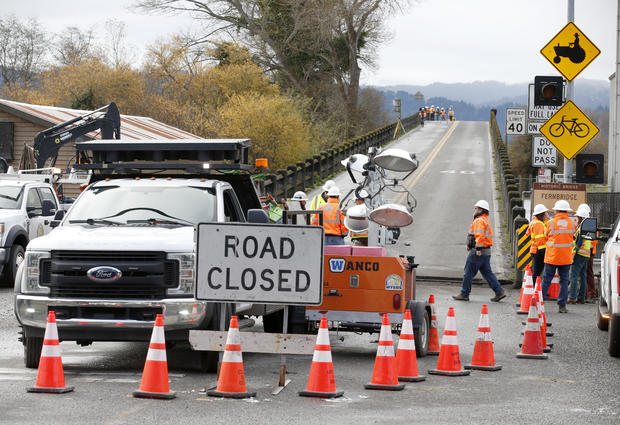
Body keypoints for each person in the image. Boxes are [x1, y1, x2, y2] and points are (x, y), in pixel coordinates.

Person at [453, 200, 506, 302]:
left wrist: (477, 248)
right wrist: (470, 245)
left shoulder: (479, 221)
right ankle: (499, 292)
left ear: (481, 210)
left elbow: (479, 236)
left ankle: (464, 294)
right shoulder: (485, 220)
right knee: (488, 273)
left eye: (476, 208)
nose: (475, 210)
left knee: (468, 272)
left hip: (478, 252)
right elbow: (477, 236)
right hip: (486, 252)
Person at [541, 200, 575, 313]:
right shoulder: (572, 223)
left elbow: (546, 237)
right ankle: (562, 306)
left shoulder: (550, 223)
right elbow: (573, 237)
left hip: (552, 256)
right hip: (566, 257)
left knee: (546, 280)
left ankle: (539, 302)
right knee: (564, 281)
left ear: (557, 210)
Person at [568, 206, 591, 304]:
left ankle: (572, 297)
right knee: (583, 275)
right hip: (585, 255)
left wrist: (574, 253)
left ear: (581, 218)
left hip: (579, 254)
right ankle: (582, 297)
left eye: (577, 217)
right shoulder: (589, 227)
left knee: (574, 276)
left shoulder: (582, 228)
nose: (576, 218)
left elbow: (579, 242)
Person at [578, 203, 598, 302]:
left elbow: (593, 241)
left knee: (587, 273)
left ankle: (591, 294)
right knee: (585, 273)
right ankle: (587, 294)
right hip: (587, 252)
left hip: (587, 252)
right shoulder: (590, 223)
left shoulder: (589, 224)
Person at [527, 204, 549, 281]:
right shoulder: (538, 224)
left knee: (537, 271)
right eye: (545, 213)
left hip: (536, 250)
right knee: (537, 272)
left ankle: (535, 288)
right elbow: (540, 239)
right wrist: (544, 251)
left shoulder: (535, 222)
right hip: (539, 251)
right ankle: (534, 288)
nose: (547, 214)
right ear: (541, 214)